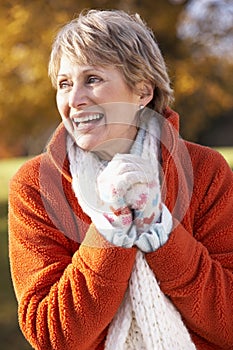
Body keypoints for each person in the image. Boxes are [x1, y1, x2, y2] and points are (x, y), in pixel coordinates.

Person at [8, 9, 233, 350]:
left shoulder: (206, 171)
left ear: (143, 91)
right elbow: (51, 336)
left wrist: (160, 230)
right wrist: (111, 228)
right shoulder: (36, 186)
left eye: (92, 79)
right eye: (65, 84)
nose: (74, 99)